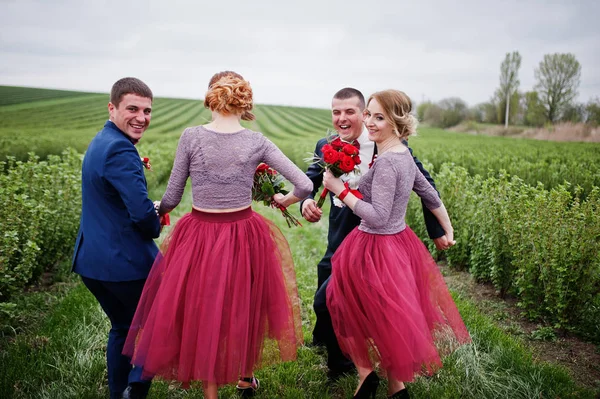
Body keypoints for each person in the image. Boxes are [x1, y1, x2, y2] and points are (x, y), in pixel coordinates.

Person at [123, 71, 312, 399]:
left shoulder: (191, 136)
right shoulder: (257, 141)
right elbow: (306, 184)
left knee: (205, 308)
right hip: (244, 234)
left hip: (200, 235)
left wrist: (158, 206)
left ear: (211, 100)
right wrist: (285, 200)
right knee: (246, 302)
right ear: (244, 104)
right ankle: (245, 377)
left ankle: (211, 394)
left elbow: (173, 195)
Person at [323, 89, 471, 398]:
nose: (370, 123)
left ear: (396, 123)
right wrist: (448, 226)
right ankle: (396, 387)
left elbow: (377, 216)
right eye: (370, 115)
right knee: (387, 315)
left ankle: (366, 373)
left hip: (375, 244)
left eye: (379, 118)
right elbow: (429, 194)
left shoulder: (389, 162)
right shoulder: (400, 155)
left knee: (342, 300)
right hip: (398, 243)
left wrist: (340, 190)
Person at [71, 77, 161, 399]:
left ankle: (118, 393)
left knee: (123, 327)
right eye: (132, 109)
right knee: (157, 324)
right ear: (112, 108)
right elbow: (142, 217)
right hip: (124, 265)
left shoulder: (101, 141)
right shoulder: (121, 150)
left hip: (92, 261)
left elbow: (114, 201)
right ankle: (134, 390)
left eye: (147, 111)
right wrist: (155, 221)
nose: (141, 117)